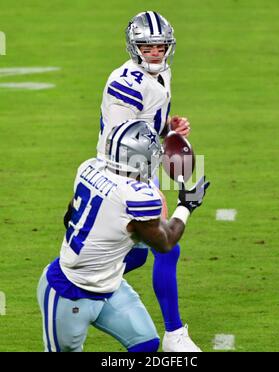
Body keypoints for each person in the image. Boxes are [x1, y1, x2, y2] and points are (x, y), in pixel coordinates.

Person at [37, 120, 209, 352]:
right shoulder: (135, 196)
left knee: (146, 345)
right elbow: (166, 242)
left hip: (110, 286)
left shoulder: (89, 167)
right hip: (68, 292)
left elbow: (69, 218)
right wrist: (187, 205)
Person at [96, 11, 198, 351]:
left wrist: (169, 126)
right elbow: (122, 141)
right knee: (166, 246)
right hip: (121, 171)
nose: (154, 52)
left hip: (143, 167)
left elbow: (148, 120)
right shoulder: (125, 84)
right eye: (146, 46)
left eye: (159, 45)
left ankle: (80, 278)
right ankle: (174, 334)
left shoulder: (162, 71)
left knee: (139, 255)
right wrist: (151, 189)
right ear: (133, 47)